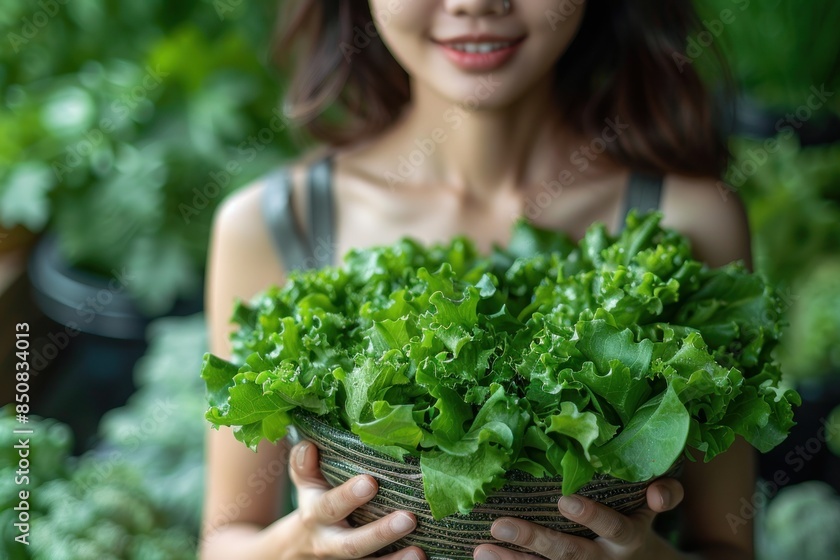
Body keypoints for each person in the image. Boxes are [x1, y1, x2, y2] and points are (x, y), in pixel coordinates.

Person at [200, 1, 756, 559]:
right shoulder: (278, 222)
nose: (474, 3)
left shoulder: (693, 222)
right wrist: (298, 548)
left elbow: (728, 545)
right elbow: (223, 542)